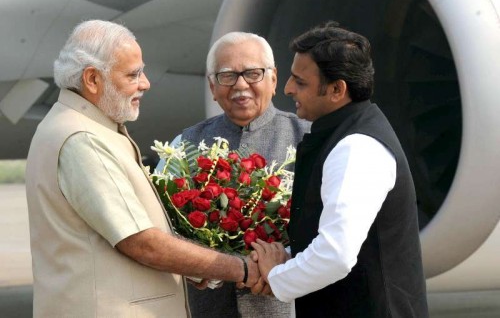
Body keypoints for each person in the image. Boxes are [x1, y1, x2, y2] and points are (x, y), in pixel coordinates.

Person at [25, 20, 259, 318]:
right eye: (133, 74)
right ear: (92, 79)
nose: (145, 83)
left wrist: (196, 266)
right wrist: (241, 268)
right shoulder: (83, 139)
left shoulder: (76, 125)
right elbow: (142, 243)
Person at [250, 21, 429, 317]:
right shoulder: (348, 134)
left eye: (301, 82)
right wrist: (284, 261)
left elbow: (336, 255)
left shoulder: (356, 147)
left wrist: (275, 275)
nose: (288, 88)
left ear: (336, 89)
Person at [164, 31, 310, 317]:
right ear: (211, 86)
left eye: (253, 73)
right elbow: (162, 228)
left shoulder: (307, 138)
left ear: (274, 79)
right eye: (227, 76)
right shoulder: (185, 145)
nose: (241, 85)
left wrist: (284, 261)